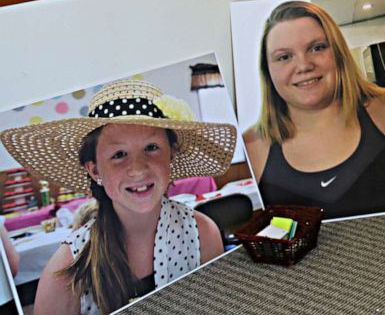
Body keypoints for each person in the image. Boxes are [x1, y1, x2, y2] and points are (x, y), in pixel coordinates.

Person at [0, 80, 236, 315]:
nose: (138, 169)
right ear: (94, 171)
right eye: (119, 154)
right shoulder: (66, 271)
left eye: (152, 147)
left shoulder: (202, 234)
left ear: (171, 155)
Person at [244, 0, 385, 220]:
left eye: (317, 48)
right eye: (284, 57)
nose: (304, 65)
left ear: (338, 53)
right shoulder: (251, 147)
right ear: (268, 70)